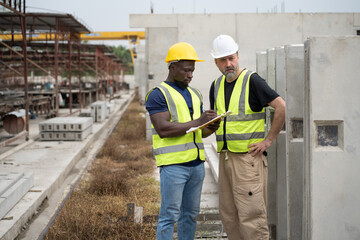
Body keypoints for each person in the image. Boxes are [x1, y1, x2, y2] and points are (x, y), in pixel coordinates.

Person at [209, 34, 286, 239]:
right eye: (223, 60)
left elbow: (280, 106)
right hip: (225, 158)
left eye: (232, 58)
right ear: (216, 62)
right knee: (229, 215)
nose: (229, 64)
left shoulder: (252, 80)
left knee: (251, 217)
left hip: (248, 160)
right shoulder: (215, 86)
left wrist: (268, 140)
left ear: (238, 56)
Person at [145, 42, 220, 240]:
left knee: (190, 216)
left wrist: (209, 127)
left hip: (196, 166)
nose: (190, 75)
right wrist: (198, 121)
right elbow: (163, 129)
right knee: (169, 216)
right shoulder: (157, 95)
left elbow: (196, 131)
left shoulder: (195, 93)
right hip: (173, 166)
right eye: (186, 70)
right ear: (173, 67)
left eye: (192, 70)